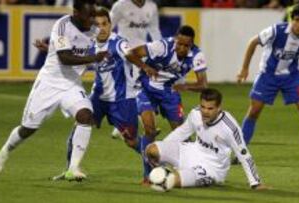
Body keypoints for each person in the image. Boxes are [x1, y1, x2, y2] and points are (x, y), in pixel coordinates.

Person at [0, 0, 107, 181]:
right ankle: (5, 151)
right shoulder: (62, 25)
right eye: (87, 15)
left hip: (71, 84)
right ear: (76, 12)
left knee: (86, 116)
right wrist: (94, 57)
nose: (90, 19)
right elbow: (64, 58)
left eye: (93, 15)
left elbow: (81, 50)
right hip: (49, 84)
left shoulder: (94, 30)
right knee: (28, 128)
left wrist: (50, 48)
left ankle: (73, 168)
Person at [51, 7, 143, 180]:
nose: (101, 28)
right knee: (80, 123)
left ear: (110, 25)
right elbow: (74, 61)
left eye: (105, 24)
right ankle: (71, 169)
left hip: (122, 101)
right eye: (97, 24)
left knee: (131, 141)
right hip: (98, 98)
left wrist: (143, 66)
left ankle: (157, 163)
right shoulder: (90, 44)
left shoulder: (119, 43)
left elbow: (129, 53)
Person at [236, 3, 299, 167]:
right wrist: (244, 68)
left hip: (293, 77)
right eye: (297, 20)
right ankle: (240, 154)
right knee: (254, 111)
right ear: (291, 19)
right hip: (268, 75)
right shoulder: (276, 30)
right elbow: (253, 42)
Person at [125, 25, 208, 182]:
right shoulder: (161, 47)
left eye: (186, 45)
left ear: (192, 44)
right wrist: (145, 66)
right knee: (149, 129)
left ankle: (192, 170)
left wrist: (184, 86)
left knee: (182, 134)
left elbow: (203, 84)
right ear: (175, 39)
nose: (182, 48)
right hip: (146, 88)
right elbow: (130, 53)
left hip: (170, 93)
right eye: (180, 44)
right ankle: (147, 176)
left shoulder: (197, 55)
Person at [146, 88, 267, 190]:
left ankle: (165, 177)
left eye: (210, 108)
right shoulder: (195, 114)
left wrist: (255, 183)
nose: (205, 112)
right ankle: (162, 173)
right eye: (203, 107)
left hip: (211, 169)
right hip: (191, 153)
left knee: (171, 181)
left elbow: (243, 154)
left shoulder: (229, 127)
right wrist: (163, 146)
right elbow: (181, 133)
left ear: (219, 107)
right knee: (151, 149)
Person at [109, 0, 162, 139]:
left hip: (141, 54)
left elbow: (154, 30)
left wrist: (161, 50)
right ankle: (125, 124)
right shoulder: (120, 5)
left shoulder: (152, 6)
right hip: (123, 53)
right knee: (127, 89)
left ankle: (122, 125)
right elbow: (108, 27)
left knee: (137, 88)